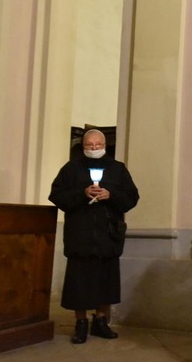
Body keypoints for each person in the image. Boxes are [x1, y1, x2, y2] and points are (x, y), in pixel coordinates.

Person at [48, 129, 139, 344]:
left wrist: (111, 195)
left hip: (108, 235)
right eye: (90, 145)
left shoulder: (117, 169)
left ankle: (101, 321)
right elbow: (56, 195)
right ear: (83, 146)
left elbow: (132, 197)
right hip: (80, 235)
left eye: (98, 145)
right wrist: (82, 193)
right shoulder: (71, 169)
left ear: (105, 145)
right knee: (79, 282)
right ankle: (80, 323)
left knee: (105, 280)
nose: (94, 148)